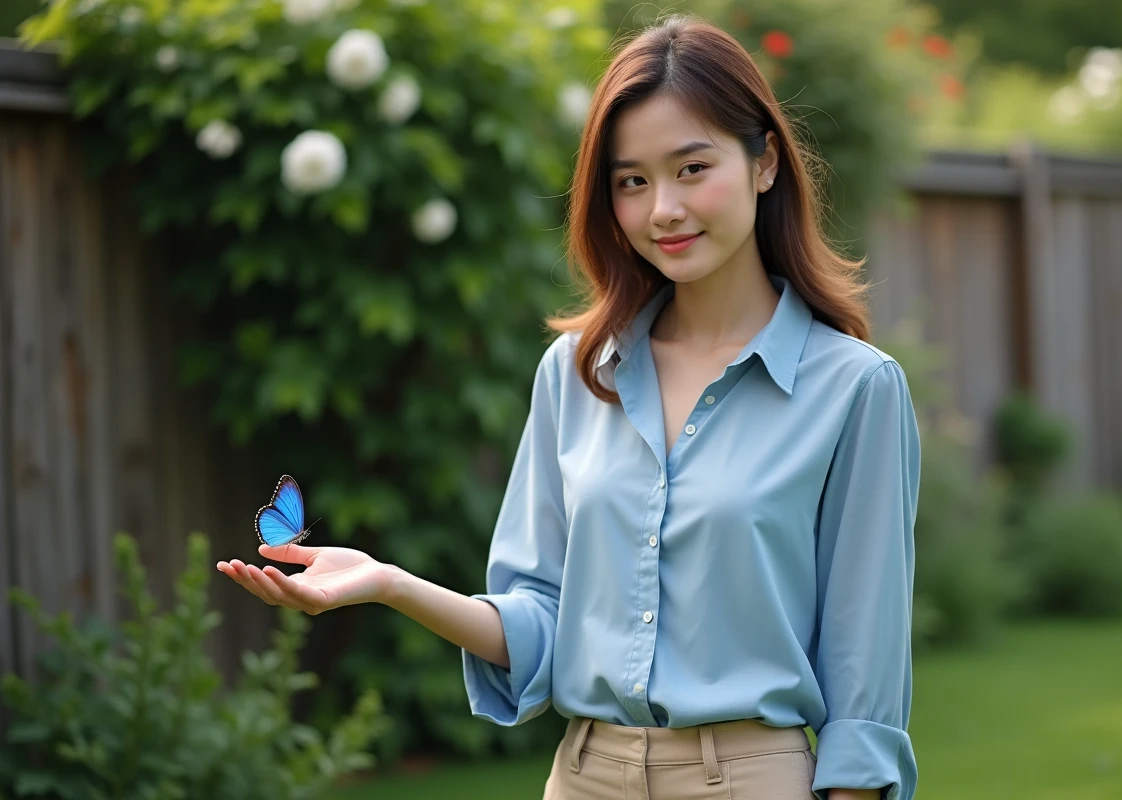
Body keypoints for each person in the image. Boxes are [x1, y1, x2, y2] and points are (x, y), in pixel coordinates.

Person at [218, 14, 920, 800]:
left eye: (692, 168)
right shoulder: (577, 373)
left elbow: (866, 679)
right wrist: (389, 583)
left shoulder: (855, 388)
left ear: (764, 163)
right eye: (632, 181)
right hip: (584, 777)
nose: (663, 210)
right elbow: (540, 622)